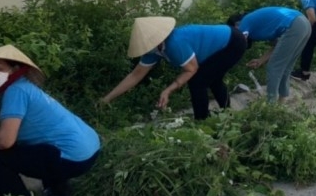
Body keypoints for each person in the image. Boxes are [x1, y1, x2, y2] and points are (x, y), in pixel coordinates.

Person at [0, 45, 100, 196]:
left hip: (72, 159)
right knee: (43, 146)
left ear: (14, 68)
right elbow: (5, 131)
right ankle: (59, 191)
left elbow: (5, 141)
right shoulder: (24, 87)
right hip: (88, 150)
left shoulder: (15, 92)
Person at [102, 17, 246, 119]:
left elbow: (191, 69)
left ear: (156, 39)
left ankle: (203, 121)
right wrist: (107, 99)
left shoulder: (174, 43)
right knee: (212, 79)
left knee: (198, 82)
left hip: (232, 42)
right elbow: (135, 75)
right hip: (225, 41)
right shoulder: (154, 50)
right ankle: (227, 114)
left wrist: (168, 90)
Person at [228, 7, 312, 102]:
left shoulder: (243, 23)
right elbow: (278, 46)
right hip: (304, 23)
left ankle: (271, 105)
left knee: (274, 67)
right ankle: (281, 103)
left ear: (235, 25)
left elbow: (239, 43)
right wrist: (261, 60)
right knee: (286, 67)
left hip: (295, 25)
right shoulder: (258, 22)